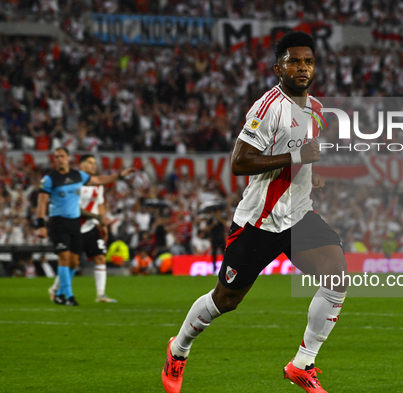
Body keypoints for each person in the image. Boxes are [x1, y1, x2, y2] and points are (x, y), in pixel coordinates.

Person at [161, 31, 347, 393]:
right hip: (258, 222)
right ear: (278, 68)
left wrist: (310, 175)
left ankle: (302, 364)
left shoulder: (318, 111)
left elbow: (299, 157)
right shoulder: (267, 107)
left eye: (308, 61)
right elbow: (240, 162)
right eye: (294, 61)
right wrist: (297, 159)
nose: (303, 67)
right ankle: (178, 348)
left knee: (336, 277)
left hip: (298, 216)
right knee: (225, 300)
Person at [36, 147, 134, 306]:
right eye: (56, 157)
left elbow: (99, 182)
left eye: (62, 156)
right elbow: (41, 202)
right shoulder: (49, 179)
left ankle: (59, 292)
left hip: (76, 223)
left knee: (74, 262)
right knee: (64, 257)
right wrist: (40, 225)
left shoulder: (77, 176)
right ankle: (69, 296)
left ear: (68, 158)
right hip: (58, 222)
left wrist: (120, 176)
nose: (59, 159)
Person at [48, 154, 119, 303]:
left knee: (100, 257)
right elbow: (74, 207)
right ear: (80, 165)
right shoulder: (74, 182)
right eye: (89, 163)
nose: (93, 166)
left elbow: (100, 204)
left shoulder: (97, 185)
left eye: (94, 163)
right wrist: (97, 217)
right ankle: (56, 289)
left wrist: (102, 223)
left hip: (90, 226)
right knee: (72, 262)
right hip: (74, 226)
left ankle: (101, 294)